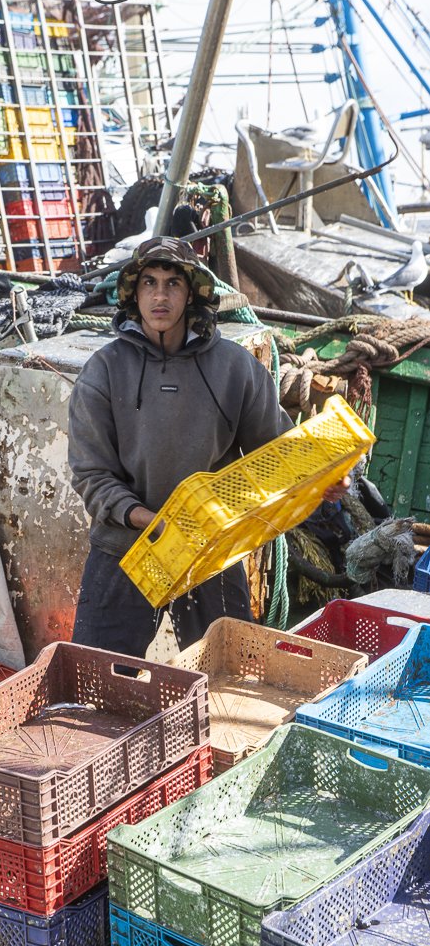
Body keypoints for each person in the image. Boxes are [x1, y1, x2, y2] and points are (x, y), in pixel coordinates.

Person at [67, 236, 348, 656]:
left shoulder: (235, 368)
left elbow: (277, 452)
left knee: (229, 674)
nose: (160, 296)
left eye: (172, 284)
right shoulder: (103, 371)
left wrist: (321, 481)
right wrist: (155, 521)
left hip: (211, 552)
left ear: (192, 293)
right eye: (148, 283)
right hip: (124, 549)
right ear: (133, 293)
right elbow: (92, 475)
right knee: (97, 677)